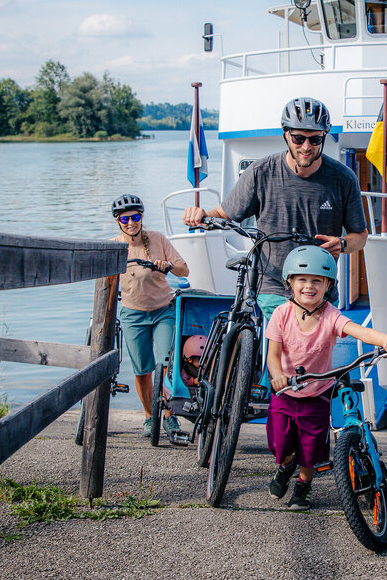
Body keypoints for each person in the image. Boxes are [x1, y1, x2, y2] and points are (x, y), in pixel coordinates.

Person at [181, 97, 369, 321]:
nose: (306, 147)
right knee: (276, 354)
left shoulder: (343, 178)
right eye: (298, 138)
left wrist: (344, 243)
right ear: (286, 135)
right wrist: (200, 215)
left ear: (324, 137)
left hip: (320, 287)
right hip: (273, 286)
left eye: (315, 139)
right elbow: (224, 214)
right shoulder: (261, 172)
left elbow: (361, 235)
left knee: (315, 356)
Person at [265, 246, 387, 510]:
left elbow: (357, 330)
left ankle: (303, 486)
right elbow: (273, 355)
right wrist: (278, 376)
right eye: (302, 280)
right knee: (280, 445)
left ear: (328, 285)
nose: (309, 286)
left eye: (317, 280)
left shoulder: (330, 315)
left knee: (311, 448)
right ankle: (285, 467)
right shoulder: (281, 314)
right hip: (285, 392)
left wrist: (386, 340)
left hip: (317, 394)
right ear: (290, 283)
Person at [111, 194, 190, 437]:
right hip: (133, 315)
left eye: (135, 217)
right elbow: (107, 284)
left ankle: (169, 416)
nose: (131, 222)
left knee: (166, 364)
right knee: (142, 370)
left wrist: (166, 264)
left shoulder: (157, 239)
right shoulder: (115, 246)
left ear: (142, 217)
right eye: (125, 218)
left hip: (162, 311)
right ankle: (148, 416)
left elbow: (183, 269)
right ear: (118, 221)